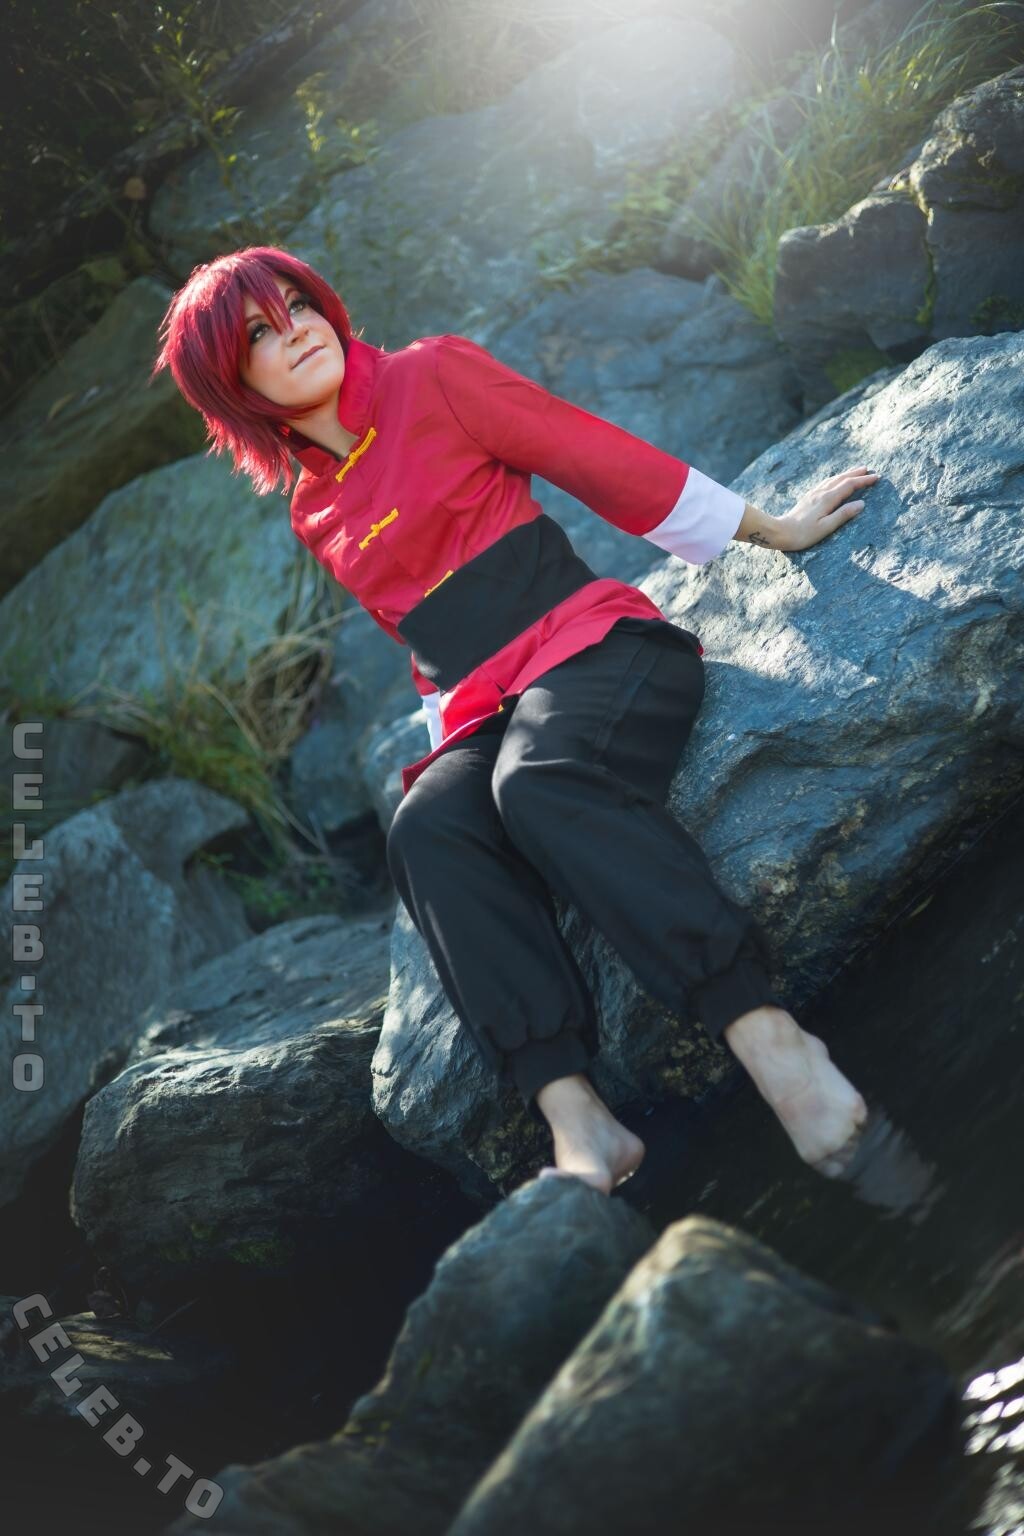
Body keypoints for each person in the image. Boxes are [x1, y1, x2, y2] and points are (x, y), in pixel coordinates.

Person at [152, 245, 880, 1197]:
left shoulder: (432, 375)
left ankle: (770, 1038)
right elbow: (422, 645)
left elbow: (594, 456)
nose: (296, 330)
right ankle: (579, 1118)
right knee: (426, 830)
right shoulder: (312, 512)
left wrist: (772, 527)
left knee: (538, 781)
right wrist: (458, 787)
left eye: (298, 303)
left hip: (594, 646)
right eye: (259, 331)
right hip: (480, 706)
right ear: (232, 383)